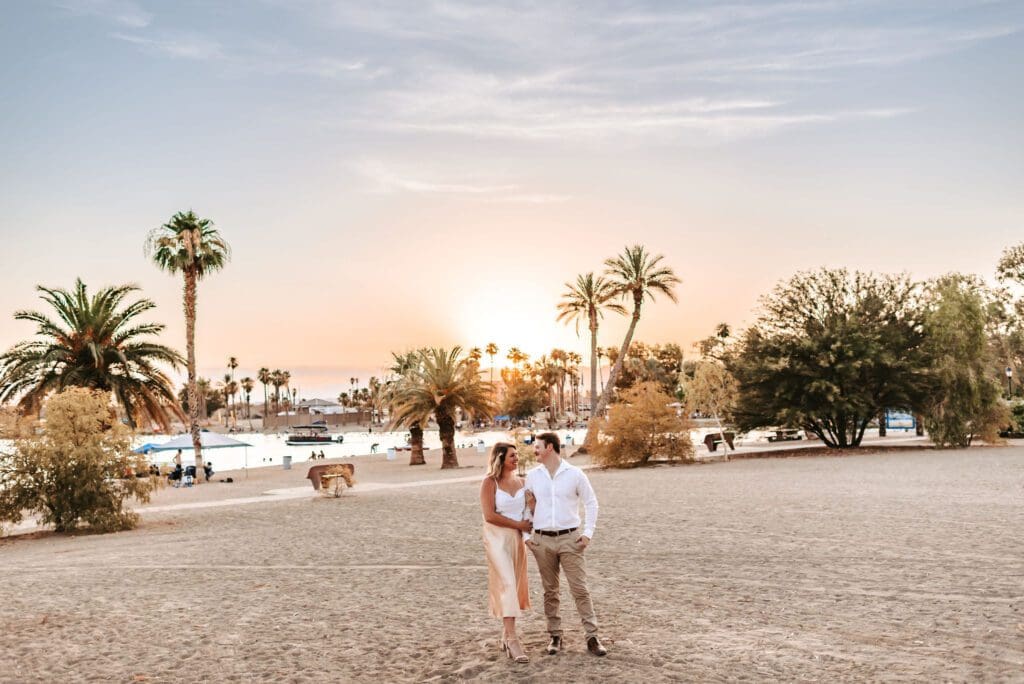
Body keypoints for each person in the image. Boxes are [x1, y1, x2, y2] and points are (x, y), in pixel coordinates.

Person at [524, 432, 607, 656]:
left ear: (550, 447)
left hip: (571, 538)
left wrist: (588, 532)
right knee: (550, 591)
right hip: (541, 540)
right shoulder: (532, 476)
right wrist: (527, 538)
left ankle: (592, 637)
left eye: (537, 446)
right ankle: (555, 636)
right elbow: (526, 506)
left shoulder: (575, 474)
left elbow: (591, 503)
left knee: (580, 589)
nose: (534, 450)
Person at [479, 442, 533, 664]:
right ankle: (512, 639)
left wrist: (532, 508)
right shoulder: (489, 482)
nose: (516, 458)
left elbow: (530, 511)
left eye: (517, 454)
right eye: (512, 455)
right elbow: (489, 515)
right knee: (508, 583)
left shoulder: (522, 482)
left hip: (517, 539)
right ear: (500, 457)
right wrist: (517, 525)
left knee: (515, 584)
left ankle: (505, 634)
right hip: (496, 538)